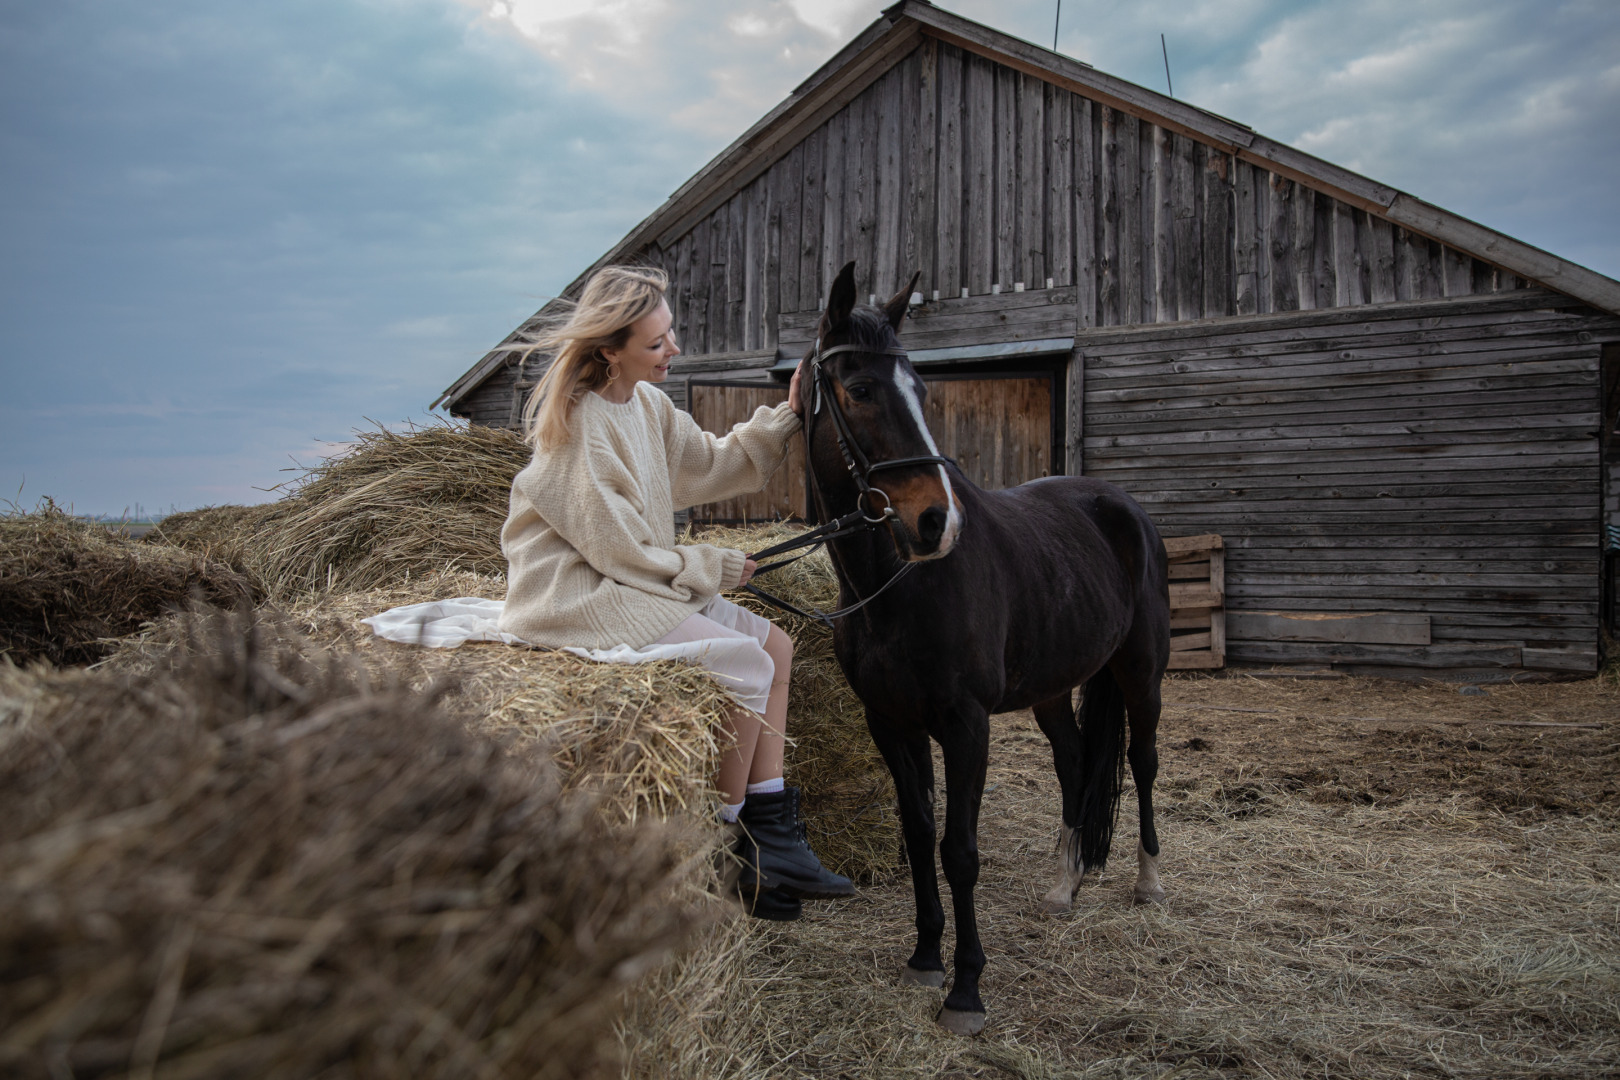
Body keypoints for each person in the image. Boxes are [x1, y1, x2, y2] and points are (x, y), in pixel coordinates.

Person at [499, 264, 853, 920]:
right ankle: (721, 845)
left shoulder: (650, 405)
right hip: (579, 589)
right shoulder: (581, 428)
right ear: (611, 349)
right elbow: (620, 550)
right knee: (742, 662)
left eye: (672, 333)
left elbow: (712, 464)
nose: (675, 349)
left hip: (627, 574)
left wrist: (787, 418)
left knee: (774, 646)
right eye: (657, 342)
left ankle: (769, 835)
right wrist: (712, 565)